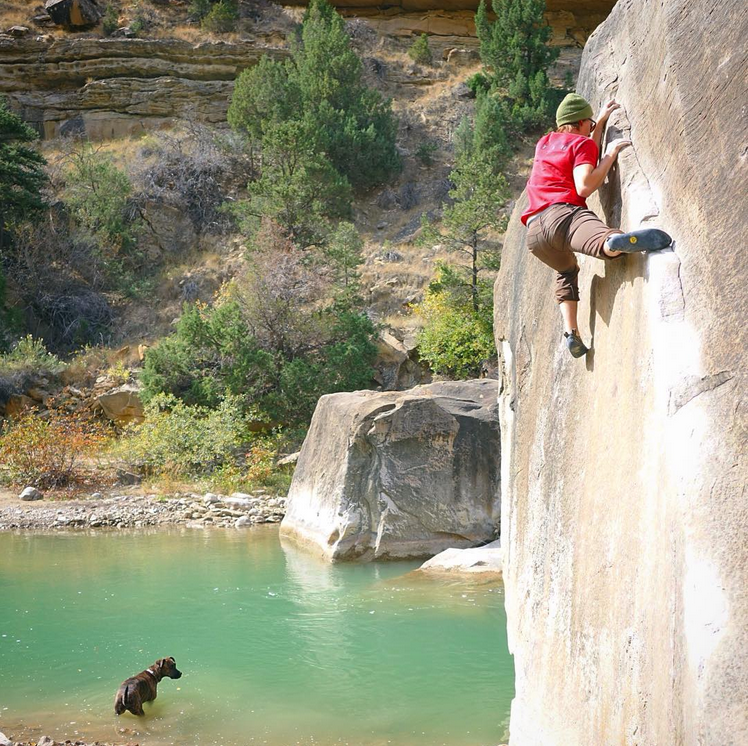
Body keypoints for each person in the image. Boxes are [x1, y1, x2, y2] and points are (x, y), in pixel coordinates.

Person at [521, 93, 672, 358]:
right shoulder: (583, 144)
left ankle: (571, 332)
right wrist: (609, 155)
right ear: (581, 123)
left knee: (567, 270)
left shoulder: (544, 143)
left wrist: (598, 123)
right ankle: (611, 243)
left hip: (535, 233)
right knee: (603, 240)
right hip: (563, 216)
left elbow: (579, 146)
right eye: (589, 124)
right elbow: (585, 185)